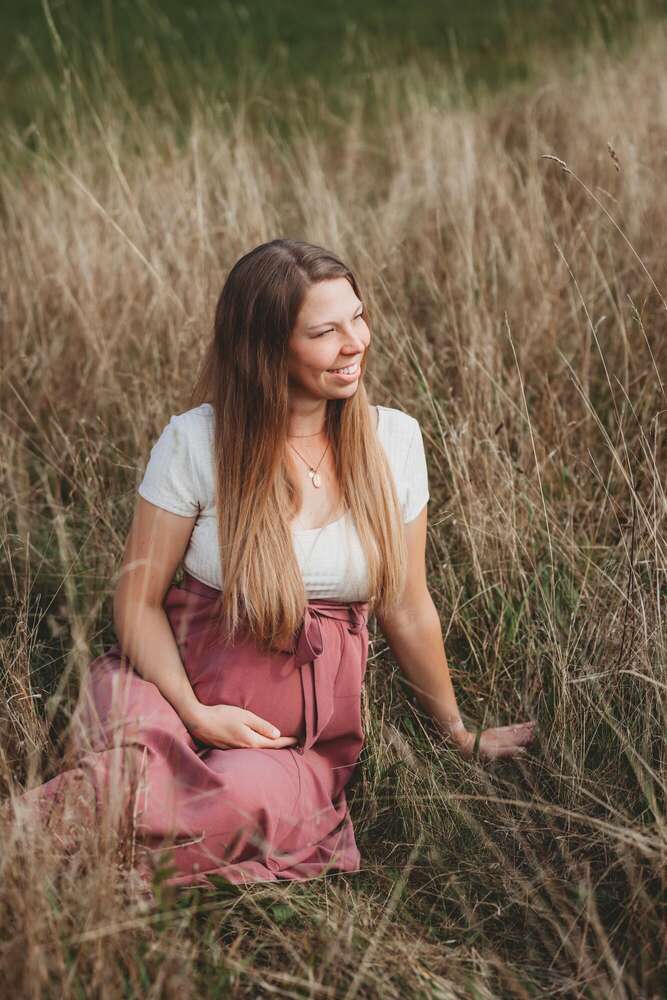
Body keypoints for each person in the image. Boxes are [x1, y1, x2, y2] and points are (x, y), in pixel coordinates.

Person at [7, 239, 536, 889]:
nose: (355, 343)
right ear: (266, 347)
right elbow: (137, 601)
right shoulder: (197, 442)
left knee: (237, 800)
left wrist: (456, 731)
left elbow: (405, 603)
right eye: (324, 331)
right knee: (125, 775)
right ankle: (26, 860)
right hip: (168, 688)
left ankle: (72, 882)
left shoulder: (394, 442)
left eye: (358, 318)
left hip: (290, 741)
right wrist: (196, 713)